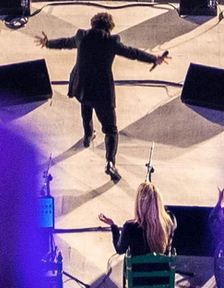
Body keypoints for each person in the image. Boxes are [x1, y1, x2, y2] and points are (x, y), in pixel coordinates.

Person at [37, 10, 171, 179]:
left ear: (93, 23)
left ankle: (87, 135)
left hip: (82, 85)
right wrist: (154, 58)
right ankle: (110, 162)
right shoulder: (111, 41)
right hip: (102, 90)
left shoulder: (81, 36)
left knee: (85, 105)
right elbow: (133, 53)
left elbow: (65, 42)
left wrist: (47, 43)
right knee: (110, 129)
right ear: (109, 27)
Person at [99, 178, 176, 257]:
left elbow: (120, 250)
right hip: (162, 268)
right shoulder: (169, 222)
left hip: (138, 268)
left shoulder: (130, 227)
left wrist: (113, 226)